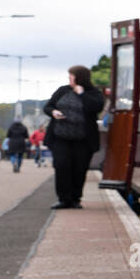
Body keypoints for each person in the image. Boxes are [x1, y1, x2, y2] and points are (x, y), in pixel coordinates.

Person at [43, 65, 105, 209]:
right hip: (60, 137)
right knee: (61, 166)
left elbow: (97, 108)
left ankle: (76, 198)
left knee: (79, 168)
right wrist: (54, 113)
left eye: (71, 77)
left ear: (80, 77)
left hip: (83, 139)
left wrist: (82, 94)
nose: (69, 79)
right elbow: (48, 106)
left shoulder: (93, 93)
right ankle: (63, 199)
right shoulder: (62, 91)